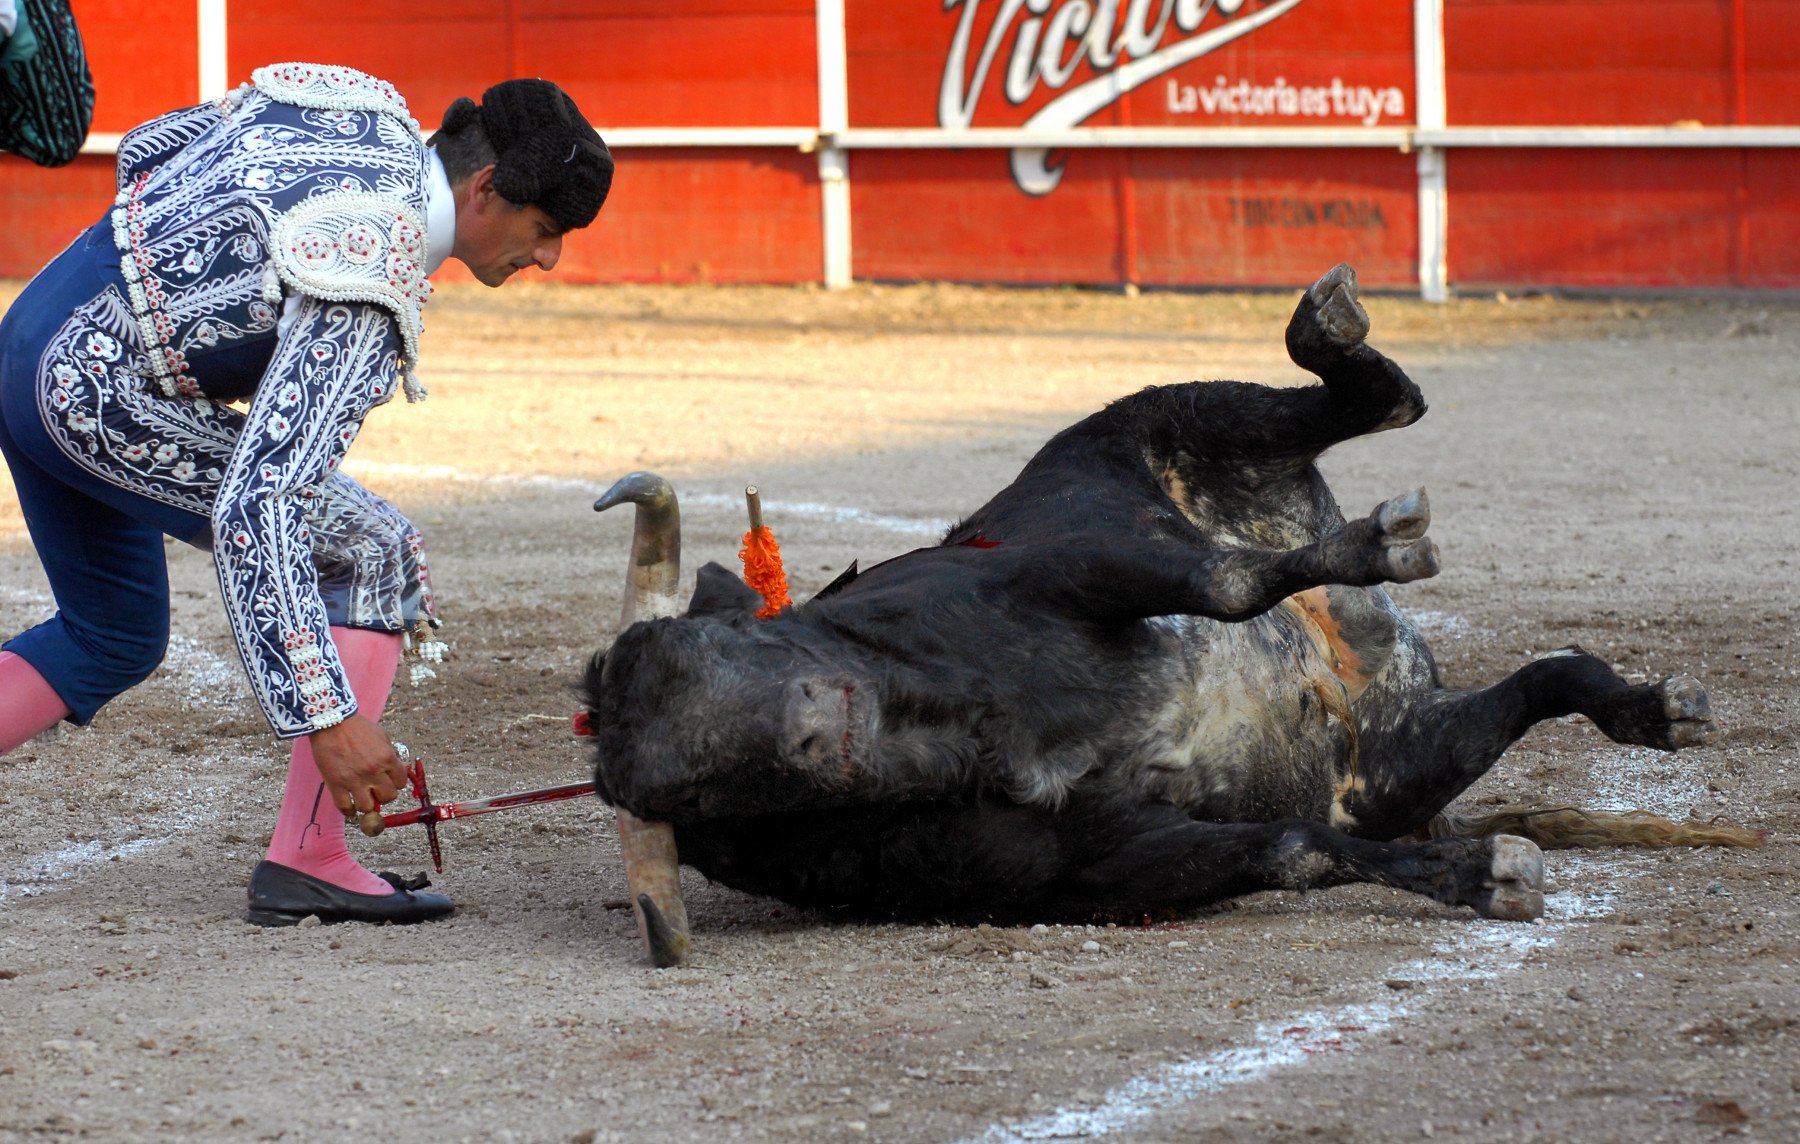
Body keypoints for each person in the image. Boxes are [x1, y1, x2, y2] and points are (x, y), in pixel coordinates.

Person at [0, 63, 613, 926]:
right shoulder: (373, 265)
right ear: (485, 190)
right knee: (369, 546)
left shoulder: (359, 112)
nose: (547, 257)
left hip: (34, 332)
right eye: (546, 229)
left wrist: (178, 304)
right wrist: (327, 717)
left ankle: (311, 853)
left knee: (113, 635)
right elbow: (266, 502)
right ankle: (311, 855)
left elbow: (152, 147)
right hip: (93, 393)